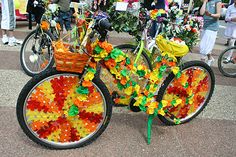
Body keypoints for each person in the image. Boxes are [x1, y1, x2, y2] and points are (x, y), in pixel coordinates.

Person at [199, 0, 222, 66]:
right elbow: (201, 13)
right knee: (206, 46)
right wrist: (204, 2)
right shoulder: (207, 2)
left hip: (212, 27)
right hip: (205, 26)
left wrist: (210, 14)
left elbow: (218, 15)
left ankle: (201, 65)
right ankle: (210, 58)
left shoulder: (217, 1)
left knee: (203, 46)